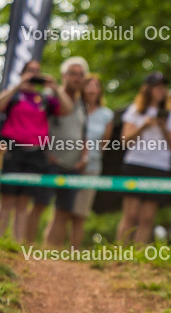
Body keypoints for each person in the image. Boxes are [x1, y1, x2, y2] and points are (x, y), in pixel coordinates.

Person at [0, 59, 72, 241]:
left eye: (37, 71)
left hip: (36, 153)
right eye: (30, 71)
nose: (34, 74)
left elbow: (68, 109)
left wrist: (56, 88)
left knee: (24, 202)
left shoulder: (44, 98)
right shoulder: (15, 95)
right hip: (13, 150)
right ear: (22, 73)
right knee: (7, 199)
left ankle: (17, 244)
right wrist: (18, 85)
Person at [117, 72, 171, 244]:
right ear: (148, 89)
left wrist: (164, 127)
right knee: (130, 214)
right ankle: (119, 253)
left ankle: (137, 257)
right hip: (135, 163)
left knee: (147, 217)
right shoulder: (135, 111)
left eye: (163, 87)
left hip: (159, 166)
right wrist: (143, 126)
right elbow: (124, 141)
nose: (161, 90)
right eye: (157, 87)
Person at [33, 57, 89, 247]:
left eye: (81, 75)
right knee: (39, 205)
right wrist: (44, 152)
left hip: (73, 164)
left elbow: (83, 133)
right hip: (50, 161)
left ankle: (52, 252)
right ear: (64, 76)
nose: (77, 78)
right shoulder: (49, 97)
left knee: (63, 211)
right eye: (73, 74)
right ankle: (23, 248)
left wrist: (84, 156)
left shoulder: (83, 103)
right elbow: (38, 125)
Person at [72, 74, 115, 244]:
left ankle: (72, 254)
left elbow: (104, 145)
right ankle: (49, 251)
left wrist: (88, 157)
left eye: (96, 85)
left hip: (92, 166)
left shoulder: (107, 115)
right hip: (69, 164)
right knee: (62, 211)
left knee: (80, 213)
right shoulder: (74, 108)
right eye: (89, 85)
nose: (92, 89)